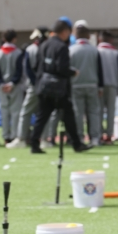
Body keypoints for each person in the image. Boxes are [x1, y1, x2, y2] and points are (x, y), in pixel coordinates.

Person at [29, 20, 91, 154]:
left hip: (43, 86)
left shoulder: (43, 45)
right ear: (64, 32)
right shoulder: (61, 47)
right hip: (58, 89)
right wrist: (72, 72)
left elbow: (36, 66)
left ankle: (34, 143)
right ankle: (77, 143)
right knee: (69, 116)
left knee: (42, 117)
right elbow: (61, 68)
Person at [8, 28, 46, 149]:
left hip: (34, 86)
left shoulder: (30, 49)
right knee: (45, 112)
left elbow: (28, 69)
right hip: (47, 85)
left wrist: (35, 83)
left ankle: (21, 138)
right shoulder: (48, 47)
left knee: (25, 112)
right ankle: (45, 139)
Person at [69, 22, 103, 146]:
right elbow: (99, 70)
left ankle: (79, 137)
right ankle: (95, 137)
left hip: (76, 85)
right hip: (92, 85)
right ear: (88, 36)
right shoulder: (94, 50)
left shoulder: (71, 50)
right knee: (93, 111)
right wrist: (100, 86)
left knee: (78, 112)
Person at [0, 30, 25, 144]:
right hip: (15, 86)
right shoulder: (18, 53)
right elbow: (19, 71)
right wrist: (12, 83)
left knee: (4, 112)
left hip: (2, 87)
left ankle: (5, 136)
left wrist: (2, 83)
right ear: (14, 38)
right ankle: (14, 136)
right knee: (16, 112)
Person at [97, 31, 118, 144]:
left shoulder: (96, 51)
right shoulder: (116, 52)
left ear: (99, 39)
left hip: (99, 85)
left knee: (98, 111)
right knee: (110, 111)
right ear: (111, 40)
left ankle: (98, 134)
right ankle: (109, 135)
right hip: (113, 84)